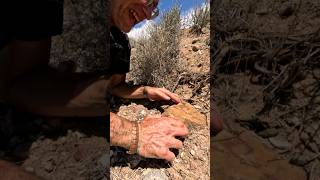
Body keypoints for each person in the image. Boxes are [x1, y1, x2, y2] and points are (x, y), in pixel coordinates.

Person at [0, 0, 188, 178]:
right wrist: (132, 133)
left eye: (154, 9)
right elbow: (20, 86)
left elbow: (116, 87)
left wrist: (144, 91)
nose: (148, 14)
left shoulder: (119, 43)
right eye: (148, 2)